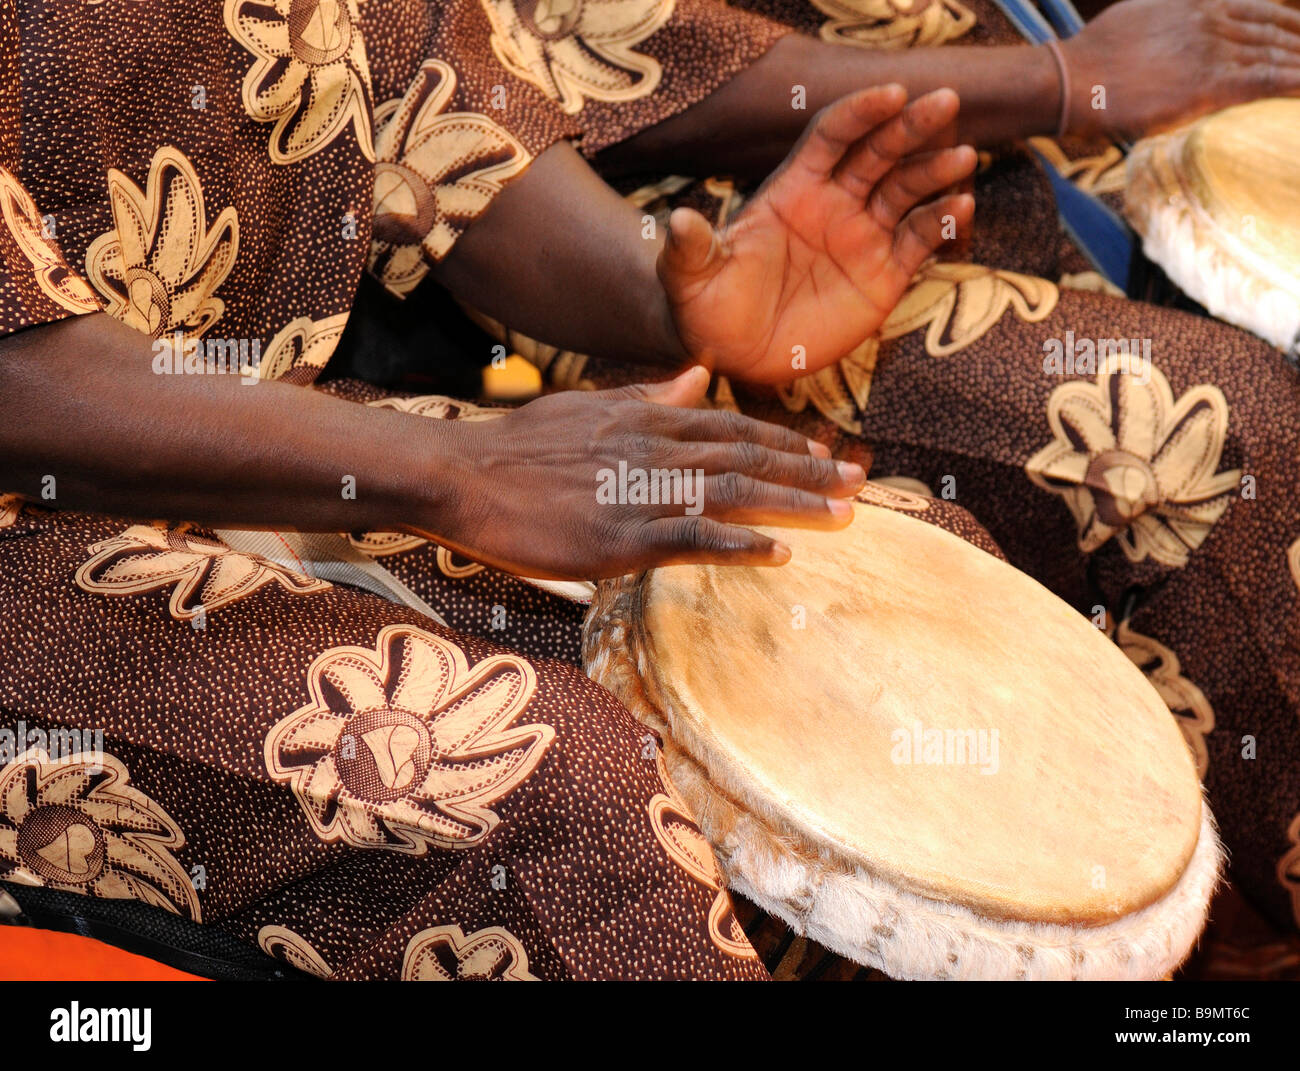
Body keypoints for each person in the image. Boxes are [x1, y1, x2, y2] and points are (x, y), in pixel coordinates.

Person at [1, 0, 1298, 980]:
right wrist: (457, 468)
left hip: (277, 447)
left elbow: (452, 133)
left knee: (846, 589)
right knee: (569, 800)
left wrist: (675, 292)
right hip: (30, 564)